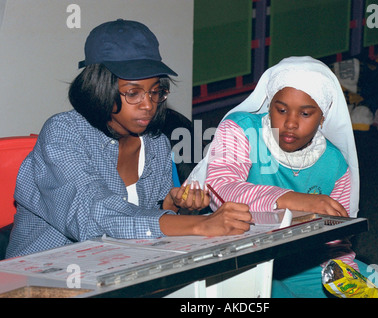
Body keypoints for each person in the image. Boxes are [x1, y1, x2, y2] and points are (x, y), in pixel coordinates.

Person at [6, 19, 252, 259]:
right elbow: (93, 217)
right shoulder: (64, 133)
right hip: (45, 274)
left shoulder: (154, 141)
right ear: (100, 87)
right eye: (133, 93)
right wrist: (199, 225)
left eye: (155, 91)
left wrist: (174, 204)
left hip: (116, 268)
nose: (148, 105)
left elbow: (144, 224)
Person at [187, 56, 378, 297]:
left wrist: (345, 277)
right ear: (269, 104)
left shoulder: (334, 165)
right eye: (281, 110)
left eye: (305, 114)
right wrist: (295, 199)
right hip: (239, 258)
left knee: (371, 285)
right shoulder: (241, 130)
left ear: (323, 116)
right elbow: (223, 189)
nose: (290, 123)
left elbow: (335, 236)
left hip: (300, 262)